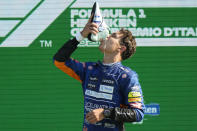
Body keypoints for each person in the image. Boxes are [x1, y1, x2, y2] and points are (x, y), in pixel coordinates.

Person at [53, 15, 145, 131]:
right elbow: (59, 60)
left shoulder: (127, 77)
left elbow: (138, 113)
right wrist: (81, 35)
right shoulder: (88, 69)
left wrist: (105, 113)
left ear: (121, 48)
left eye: (113, 36)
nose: (107, 36)